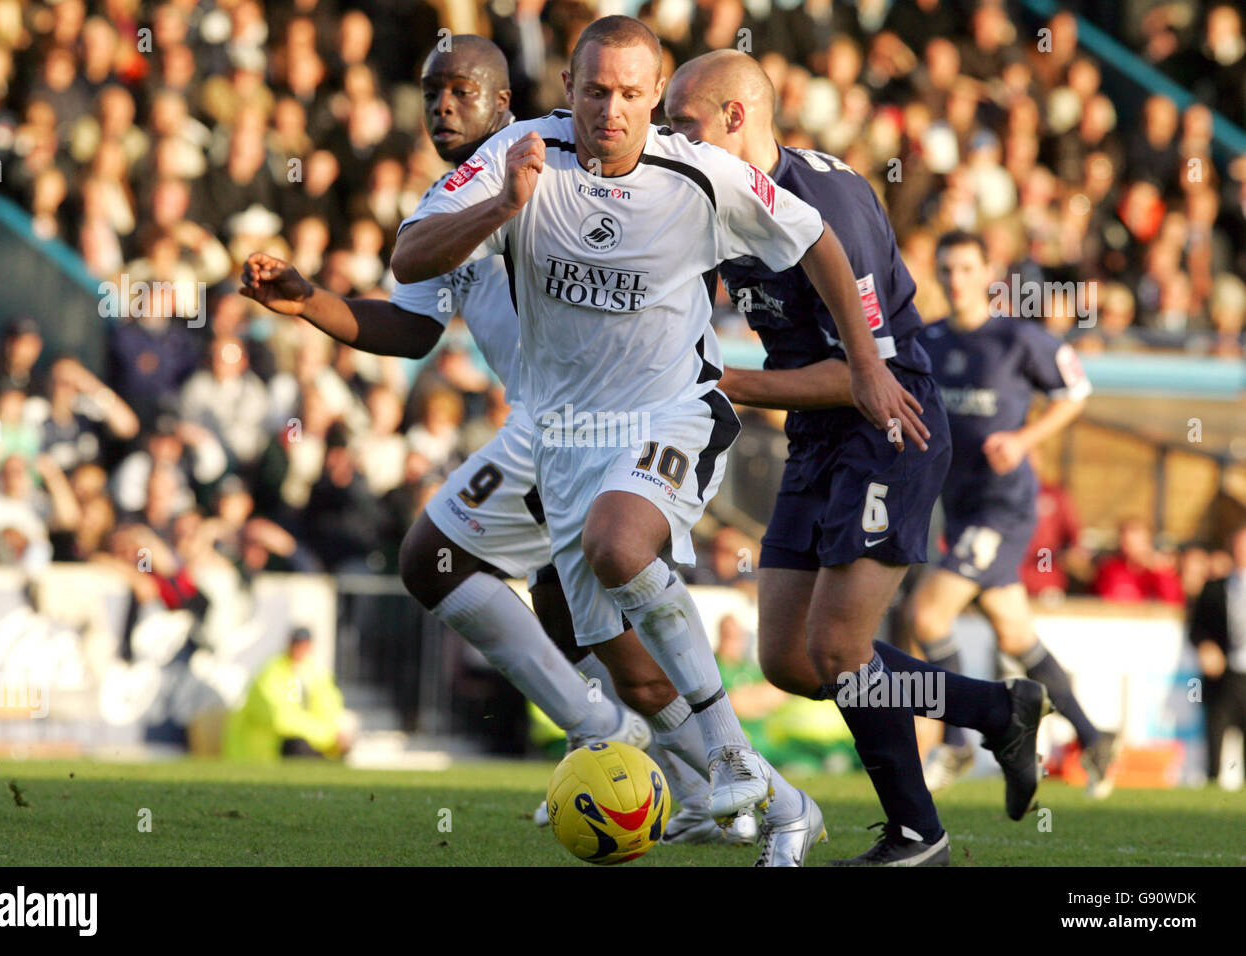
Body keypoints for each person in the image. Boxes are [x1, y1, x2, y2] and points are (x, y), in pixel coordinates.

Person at [391, 16, 924, 865]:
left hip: (676, 410)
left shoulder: (702, 172)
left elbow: (817, 237)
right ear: (567, 89)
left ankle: (729, 758)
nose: (613, 110)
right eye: (596, 90)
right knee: (638, 678)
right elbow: (409, 255)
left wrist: (863, 361)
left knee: (619, 540)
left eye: (633, 95)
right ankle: (787, 808)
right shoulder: (518, 156)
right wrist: (503, 206)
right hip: (567, 441)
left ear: (654, 97)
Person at [241, 34, 749, 846]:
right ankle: (700, 779)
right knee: (558, 609)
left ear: (507, 104)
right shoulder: (457, 200)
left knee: (445, 562)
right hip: (550, 428)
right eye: (430, 89)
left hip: (603, 421)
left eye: (462, 90)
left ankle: (653, 752)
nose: (442, 104)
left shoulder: (558, 161)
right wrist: (310, 303)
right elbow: (410, 327)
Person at [665, 49, 1047, 866]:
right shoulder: (715, 199)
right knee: (793, 661)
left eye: (683, 122)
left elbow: (862, 374)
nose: (671, 138)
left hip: (888, 426)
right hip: (814, 433)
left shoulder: (821, 200)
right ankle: (996, 708)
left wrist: (713, 380)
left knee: (840, 650)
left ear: (737, 116)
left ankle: (919, 834)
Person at [913, 230, 1116, 797]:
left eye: (966, 268)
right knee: (1015, 633)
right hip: (958, 506)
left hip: (1003, 507)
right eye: (947, 269)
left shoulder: (1017, 338)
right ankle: (1094, 736)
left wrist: (1025, 439)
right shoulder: (926, 340)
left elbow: (1076, 391)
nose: (956, 280)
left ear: (988, 272)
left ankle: (954, 745)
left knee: (929, 616)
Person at [222, 627, 355, 760]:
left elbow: (328, 707)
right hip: (266, 751)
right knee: (298, 746)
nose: (299, 649)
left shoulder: (310, 673)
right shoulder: (274, 672)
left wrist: (335, 734)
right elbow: (281, 718)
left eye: (303, 645)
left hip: (307, 741)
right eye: (296, 644)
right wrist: (328, 736)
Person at [1188, 523, 1246, 786]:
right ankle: (1211, 786)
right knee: (1215, 732)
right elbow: (1196, 628)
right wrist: (1206, 645)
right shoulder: (1213, 588)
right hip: (1225, 676)